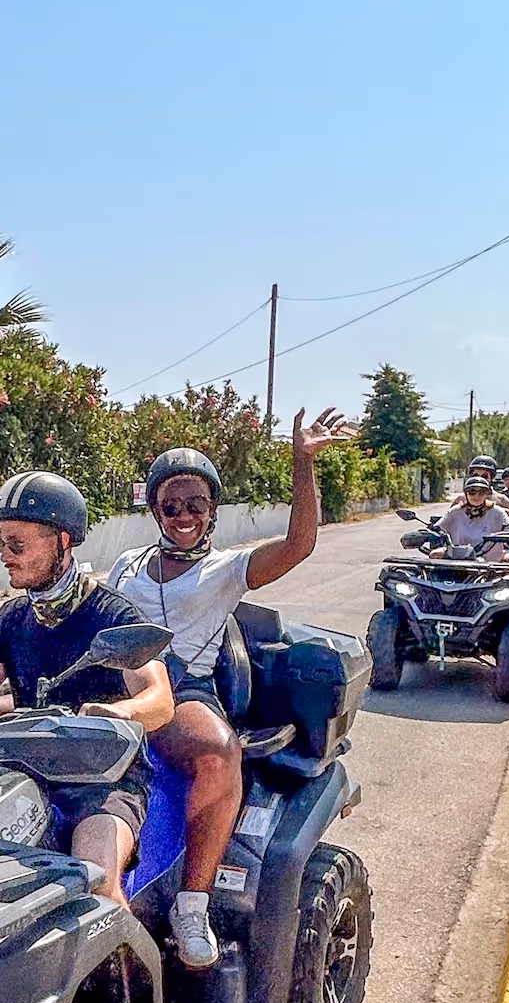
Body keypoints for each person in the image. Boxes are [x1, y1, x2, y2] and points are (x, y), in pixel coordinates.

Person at [106, 408, 350, 968]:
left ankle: (192, 902)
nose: (184, 514)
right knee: (0, 719)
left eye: (195, 503)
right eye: (172, 504)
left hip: (182, 686)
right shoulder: (126, 564)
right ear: (155, 510)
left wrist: (302, 462)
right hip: (114, 677)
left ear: (212, 510)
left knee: (219, 752)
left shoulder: (224, 568)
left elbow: (298, 545)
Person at [0, 472, 173, 912]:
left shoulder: (112, 613)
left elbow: (160, 700)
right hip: (24, 770)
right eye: (0, 544)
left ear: (62, 541)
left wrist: (122, 714)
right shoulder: (13, 619)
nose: (5, 556)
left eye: (17, 545)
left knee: (96, 884)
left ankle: (126, 978)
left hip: (101, 780)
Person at [437, 475, 509, 559]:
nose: (476, 496)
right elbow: (437, 528)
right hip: (457, 558)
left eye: (482, 492)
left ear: (487, 494)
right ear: (466, 494)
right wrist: (428, 534)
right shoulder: (455, 511)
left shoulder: (497, 511)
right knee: (435, 554)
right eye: (472, 492)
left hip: (490, 561)